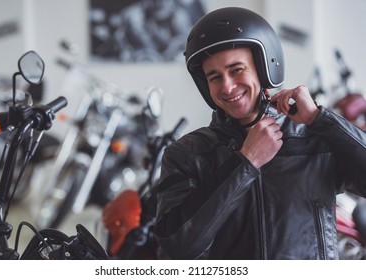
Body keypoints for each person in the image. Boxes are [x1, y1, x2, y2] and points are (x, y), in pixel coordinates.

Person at [153, 7, 366, 259]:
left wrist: (320, 119)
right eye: (214, 77)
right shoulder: (187, 154)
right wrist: (245, 163)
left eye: (236, 70)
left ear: (264, 67)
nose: (228, 86)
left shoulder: (314, 139)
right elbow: (178, 247)